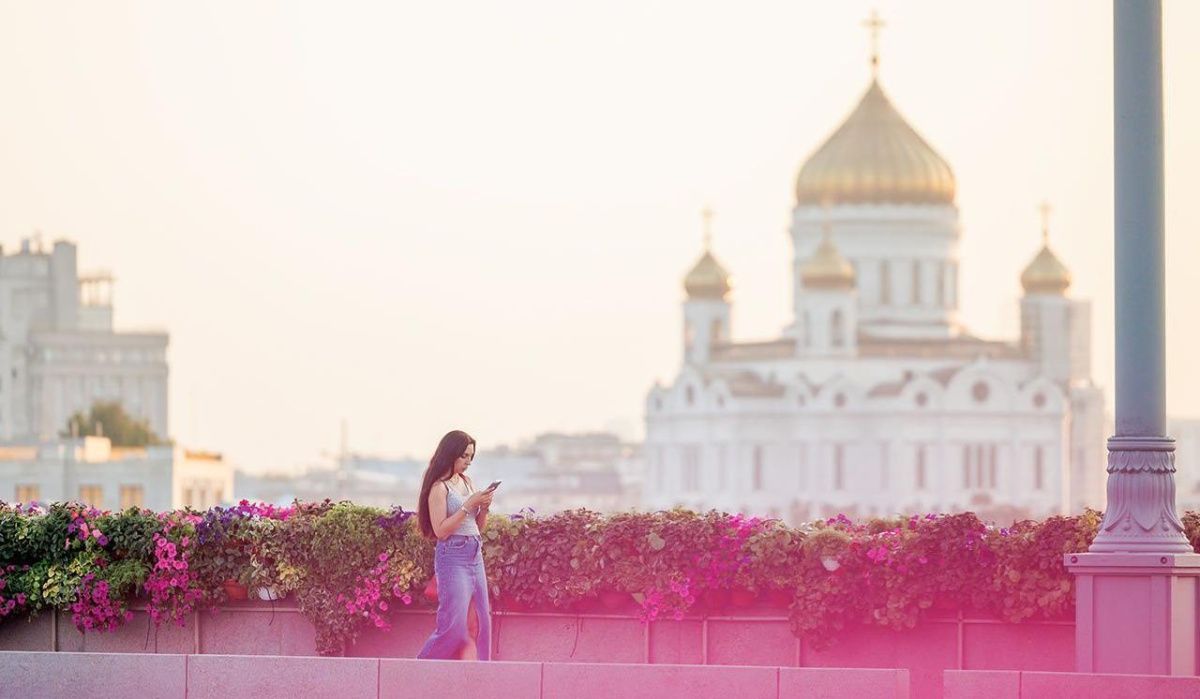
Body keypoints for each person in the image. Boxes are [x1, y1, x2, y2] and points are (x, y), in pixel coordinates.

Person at [416, 430, 494, 660]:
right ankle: (417, 672)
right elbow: (440, 530)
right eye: (463, 456)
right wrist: (468, 506)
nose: (468, 462)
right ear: (450, 454)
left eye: (471, 457)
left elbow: (477, 527)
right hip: (453, 557)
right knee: (454, 627)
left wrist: (484, 507)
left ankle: (480, 677)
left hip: (474, 554)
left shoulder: (467, 483)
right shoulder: (439, 488)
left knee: (482, 622)